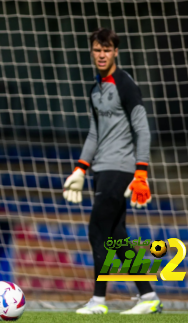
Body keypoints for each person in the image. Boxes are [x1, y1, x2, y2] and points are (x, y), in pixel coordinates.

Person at [63, 28, 162, 315]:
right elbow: (95, 133)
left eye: (107, 49)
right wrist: (80, 168)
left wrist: (140, 172)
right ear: (92, 52)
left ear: (116, 52)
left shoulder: (126, 84)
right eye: (97, 49)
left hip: (120, 169)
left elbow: (142, 130)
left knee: (98, 231)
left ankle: (98, 301)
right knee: (116, 235)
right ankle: (149, 295)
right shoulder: (95, 88)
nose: (102, 54)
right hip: (100, 168)